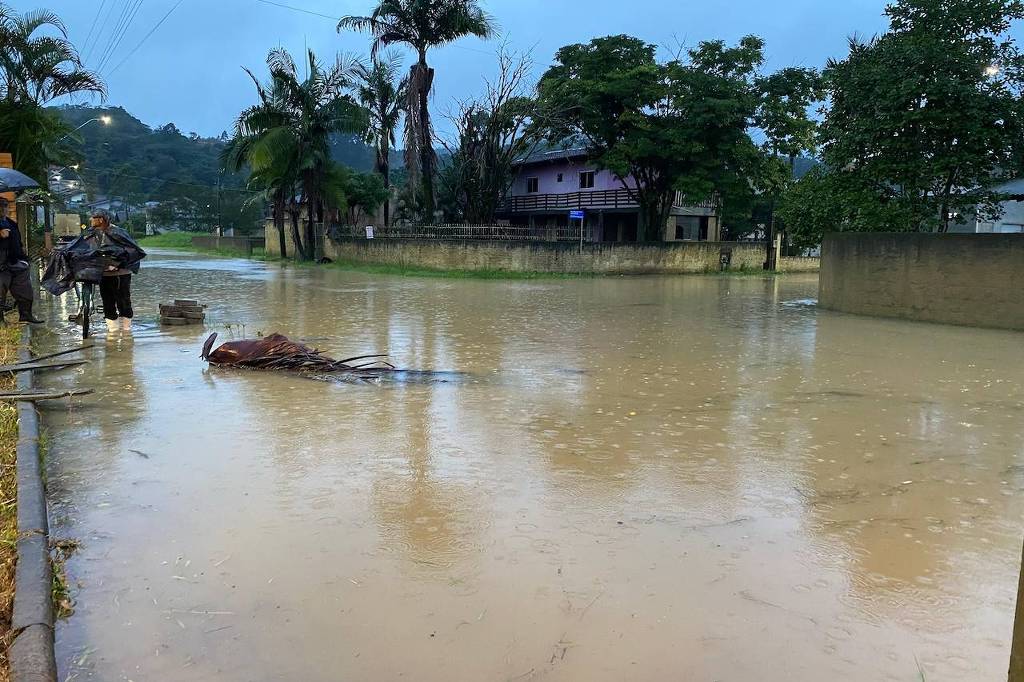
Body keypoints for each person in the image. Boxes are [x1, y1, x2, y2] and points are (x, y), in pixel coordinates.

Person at [85, 210, 145, 334]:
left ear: (101, 219)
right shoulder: (91, 234)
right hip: (103, 274)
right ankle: (112, 331)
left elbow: (131, 250)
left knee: (123, 301)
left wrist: (117, 263)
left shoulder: (118, 232)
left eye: (93, 218)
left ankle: (127, 331)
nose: (91, 220)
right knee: (107, 302)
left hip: (120, 274)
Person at [0, 198, 42, 325]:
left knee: (25, 291)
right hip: (1, 265)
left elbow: (19, 242)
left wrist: (24, 258)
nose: (3, 209)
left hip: (15, 262)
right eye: (0, 206)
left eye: (5, 206)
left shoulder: (10, 223)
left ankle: (26, 315)